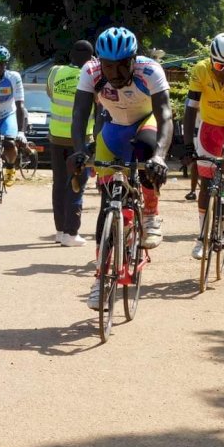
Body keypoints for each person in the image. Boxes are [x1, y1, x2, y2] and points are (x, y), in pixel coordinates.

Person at [70, 26, 172, 310]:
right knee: (106, 206)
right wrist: (79, 150)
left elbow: (164, 113)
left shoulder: (150, 70)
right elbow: (80, 114)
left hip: (145, 123)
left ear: (133, 60)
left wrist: (161, 156)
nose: (114, 73)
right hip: (113, 129)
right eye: (108, 65)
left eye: (121, 65)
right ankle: (101, 278)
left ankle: (151, 215)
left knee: (146, 152)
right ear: (99, 62)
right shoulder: (90, 72)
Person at [181, 32, 224, 259]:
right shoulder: (201, 70)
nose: (223, 72)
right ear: (211, 59)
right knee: (206, 183)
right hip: (209, 127)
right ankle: (202, 237)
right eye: (219, 66)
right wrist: (186, 147)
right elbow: (190, 109)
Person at [46, 40, 96, 247]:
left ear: (71, 55)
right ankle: (71, 232)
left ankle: (59, 231)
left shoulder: (55, 72)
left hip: (56, 136)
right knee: (76, 184)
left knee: (59, 183)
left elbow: (50, 94)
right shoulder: (92, 74)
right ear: (91, 57)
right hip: (80, 139)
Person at [0, 44, 28, 187]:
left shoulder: (14, 77)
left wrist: (21, 132)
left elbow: (20, 105)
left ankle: (10, 168)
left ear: (6, 64)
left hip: (7, 116)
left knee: (10, 143)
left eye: (1, 64)